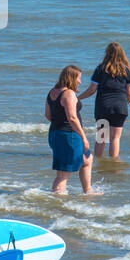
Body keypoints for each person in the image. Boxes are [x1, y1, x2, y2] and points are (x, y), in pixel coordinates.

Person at [77, 42, 130, 159]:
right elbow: (129, 91)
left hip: (103, 107)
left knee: (101, 137)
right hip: (120, 108)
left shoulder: (100, 69)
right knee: (115, 138)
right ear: (121, 54)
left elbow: (92, 90)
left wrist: (78, 98)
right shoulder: (125, 70)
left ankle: (98, 163)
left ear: (107, 53)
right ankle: (113, 166)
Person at [46, 65, 93, 194]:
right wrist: (83, 137)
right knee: (63, 174)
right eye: (79, 78)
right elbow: (72, 118)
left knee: (87, 159)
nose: (80, 81)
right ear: (71, 78)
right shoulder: (69, 94)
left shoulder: (52, 92)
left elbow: (48, 115)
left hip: (55, 133)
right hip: (69, 135)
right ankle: (58, 202)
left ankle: (88, 191)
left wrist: (60, 124)